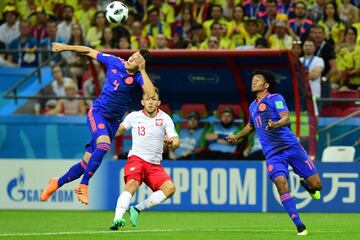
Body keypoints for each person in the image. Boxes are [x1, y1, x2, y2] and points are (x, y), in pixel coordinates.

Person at [40, 42, 156, 205]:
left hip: (113, 122)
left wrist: (143, 70)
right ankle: (83, 185)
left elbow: (151, 95)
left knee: (84, 164)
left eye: (136, 59)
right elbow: (89, 51)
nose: (131, 58)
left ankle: (56, 183)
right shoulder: (115, 61)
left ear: (140, 65)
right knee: (103, 146)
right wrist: (65, 47)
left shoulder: (138, 77)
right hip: (98, 113)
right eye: (132, 55)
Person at [227, 70, 322, 236]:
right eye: (252, 80)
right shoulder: (252, 105)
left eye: (257, 80)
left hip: (291, 147)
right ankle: (299, 224)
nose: (253, 82)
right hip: (273, 153)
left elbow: (286, 118)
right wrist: (237, 136)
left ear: (266, 85)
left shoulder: (275, 98)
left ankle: (308, 187)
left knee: (317, 185)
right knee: (280, 181)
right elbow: (250, 126)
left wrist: (275, 124)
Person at [110, 88, 179, 230]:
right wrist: (103, 134)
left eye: (153, 99)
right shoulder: (134, 116)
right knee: (132, 185)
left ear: (158, 102)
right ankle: (117, 218)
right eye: (148, 99)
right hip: (137, 160)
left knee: (170, 189)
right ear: (142, 101)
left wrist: (173, 143)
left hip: (154, 165)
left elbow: (176, 140)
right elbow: (119, 130)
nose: (150, 102)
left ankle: (136, 209)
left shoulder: (165, 118)